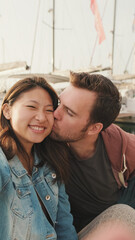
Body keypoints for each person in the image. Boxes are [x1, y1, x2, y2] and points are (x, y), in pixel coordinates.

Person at [51, 71, 135, 233]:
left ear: (94, 128)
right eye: (59, 102)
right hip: (69, 230)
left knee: (123, 220)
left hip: (112, 223)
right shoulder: (45, 140)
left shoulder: (122, 148)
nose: (55, 114)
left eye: (69, 112)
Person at [0, 76, 78, 240]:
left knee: (121, 216)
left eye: (49, 110)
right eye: (31, 107)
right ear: (7, 111)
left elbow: (64, 226)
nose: (41, 118)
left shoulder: (52, 160)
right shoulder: (3, 163)